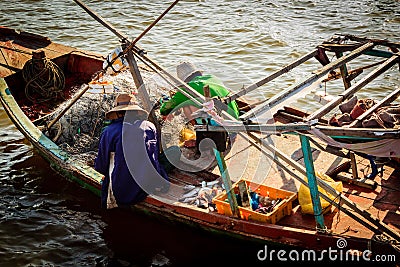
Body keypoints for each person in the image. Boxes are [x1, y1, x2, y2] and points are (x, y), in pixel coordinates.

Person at [95, 93, 168, 209]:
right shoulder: (150, 126)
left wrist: (105, 173)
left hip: (123, 190)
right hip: (149, 185)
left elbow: (101, 165)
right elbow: (154, 157)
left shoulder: (110, 131)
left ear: (118, 113)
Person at [160, 61, 240, 152]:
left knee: (187, 105)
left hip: (221, 127)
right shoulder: (212, 77)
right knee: (200, 103)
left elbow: (164, 110)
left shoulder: (188, 88)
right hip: (234, 120)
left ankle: (203, 140)